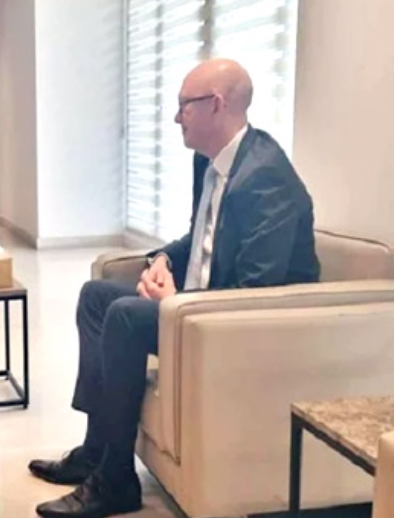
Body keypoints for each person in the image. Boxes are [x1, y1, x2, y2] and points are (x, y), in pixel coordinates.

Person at [28, 59, 320, 518]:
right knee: (96, 296)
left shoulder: (266, 178)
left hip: (240, 327)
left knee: (125, 316)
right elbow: (199, 237)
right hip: (201, 309)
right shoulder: (210, 162)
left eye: (185, 105)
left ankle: (116, 482)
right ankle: (96, 451)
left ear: (216, 105)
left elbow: (254, 293)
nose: (175, 116)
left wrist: (178, 305)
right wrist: (161, 260)